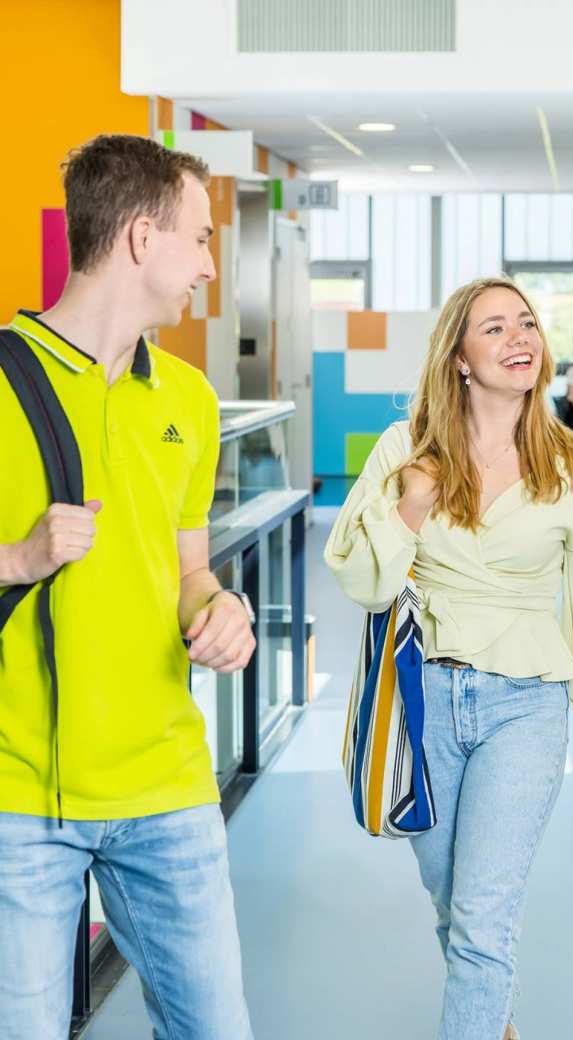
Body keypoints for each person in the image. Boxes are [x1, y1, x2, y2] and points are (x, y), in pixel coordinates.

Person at [324, 277, 573, 1040]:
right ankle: (492, 1017)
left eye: (527, 324)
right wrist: (409, 507)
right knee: (453, 903)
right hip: (424, 700)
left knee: (480, 914)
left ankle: (479, 1012)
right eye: (495, 328)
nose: (519, 340)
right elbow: (360, 577)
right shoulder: (406, 449)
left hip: (526, 705)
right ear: (461, 358)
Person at [0, 135, 256, 1039]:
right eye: (199, 237)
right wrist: (17, 560)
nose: (210, 264)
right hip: (21, 799)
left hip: (168, 788)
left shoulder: (189, 398)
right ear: (143, 239)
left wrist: (220, 610)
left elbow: (190, 570)